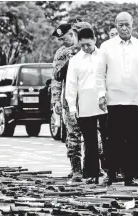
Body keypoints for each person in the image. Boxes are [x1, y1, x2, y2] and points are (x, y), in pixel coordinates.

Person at [96, 12, 138, 187]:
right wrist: (101, 94)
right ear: (115, 25)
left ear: (132, 25)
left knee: (133, 139)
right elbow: (100, 73)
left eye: (127, 24)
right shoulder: (106, 46)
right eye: (120, 24)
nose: (124, 28)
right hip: (113, 100)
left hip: (135, 99)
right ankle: (111, 174)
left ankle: (129, 175)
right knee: (113, 139)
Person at [65, 27, 108, 184]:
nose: (85, 48)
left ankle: (112, 172)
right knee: (90, 142)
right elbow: (71, 85)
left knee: (108, 139)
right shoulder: (75, 60)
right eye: (82, 45)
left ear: (95, 40)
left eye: (88, 45)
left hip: (105, 105)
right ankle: (91, 173)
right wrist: (72, 107)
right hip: (85, 105)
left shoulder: (104, 56)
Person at [51, 22, 83, 182]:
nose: (62, 42)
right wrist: (55, 100)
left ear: (72, 34)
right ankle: (76, 169)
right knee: (73, 137)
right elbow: (56, 78)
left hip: (87, 99)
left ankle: (97, 169)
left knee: (95, 138)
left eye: (64, 38)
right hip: (69, 101)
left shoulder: (87, 47)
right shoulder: (62, 53)